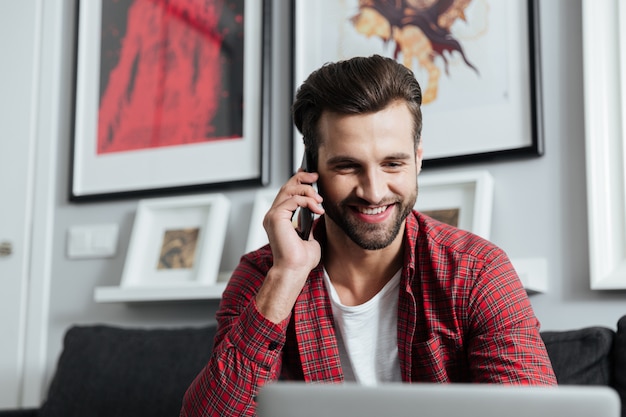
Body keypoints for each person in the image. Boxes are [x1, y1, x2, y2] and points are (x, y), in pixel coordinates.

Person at [180, 54, 557, 417]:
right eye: (347, 166)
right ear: (310, 171)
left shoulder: (478, 273)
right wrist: (287, 276)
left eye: (393, 163)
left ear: (418, 159)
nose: (374, 191)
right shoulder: (264, 276)